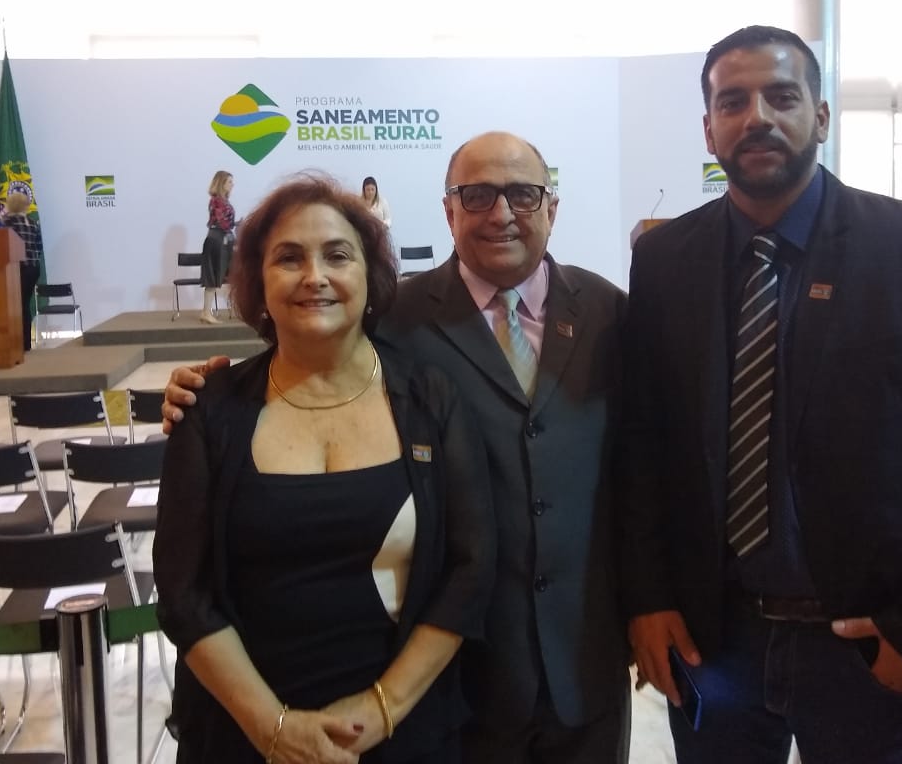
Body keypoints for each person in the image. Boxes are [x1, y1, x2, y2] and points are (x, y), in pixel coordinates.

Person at [165, 134, 631, 764]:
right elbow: (309, 343)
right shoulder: (397, 317)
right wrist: (203, 390)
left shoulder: (611, 312)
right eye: (477, 195)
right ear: (448, 209)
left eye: (523, 194)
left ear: (552, 205)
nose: (501, 212)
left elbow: (646, 472)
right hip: (462, 687)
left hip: (581, 667)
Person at [620, 25, 902, 764]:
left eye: (782, 97)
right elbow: (644, 447)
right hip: (715, 641)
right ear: (708, 129)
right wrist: (648, 597)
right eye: (732, 103)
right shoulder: (665, 260)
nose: (757, 118)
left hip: (870, 644)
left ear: (822, 116)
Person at [154, 175, 495, 764]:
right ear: (258, 282)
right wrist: (274, 729)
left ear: (371, 276)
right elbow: (185, 594)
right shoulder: (209, 410)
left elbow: (471, 566)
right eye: (289, 258)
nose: (314, 275)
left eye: (338, 255)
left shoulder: (430, 398)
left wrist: (380, 711)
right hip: (240, 737)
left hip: (403, 733)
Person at [0, 191, 42, 351]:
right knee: (25, 304)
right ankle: (26, 343)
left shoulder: (7, 224)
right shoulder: (32, 223)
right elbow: (39, 247)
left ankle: (15, 342)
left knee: (15, 306)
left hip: (16, 270)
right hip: (33, 269)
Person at [200, 170, 236, 324]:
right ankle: (206, 312)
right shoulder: (217, 201)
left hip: (221, 239)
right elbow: (222, 223)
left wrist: (235, 224)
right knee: (213, 275)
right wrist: (232, 226)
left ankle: (207, 312)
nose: (232, 184)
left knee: (219, 275)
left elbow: (226, 223)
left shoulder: (223, 201)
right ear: (221, 183)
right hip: (217, 240)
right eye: (229, 182)